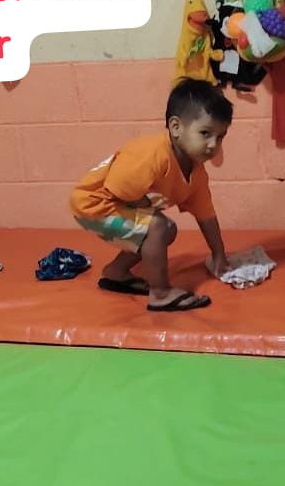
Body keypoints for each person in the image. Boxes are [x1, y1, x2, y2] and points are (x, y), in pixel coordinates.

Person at [70, 79, 232, 312]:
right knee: (157, 226)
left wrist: (219, 255)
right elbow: (118, 187)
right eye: (205, 133)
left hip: (112, 204)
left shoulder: (196, 173)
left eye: (220, 136)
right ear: (175, 127)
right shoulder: (151, 154)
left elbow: (206, 216)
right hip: (92, 204)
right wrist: (147, 209)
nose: (213, 145)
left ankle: (116, 271)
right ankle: (160, 293)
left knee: (167, 229)